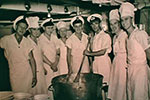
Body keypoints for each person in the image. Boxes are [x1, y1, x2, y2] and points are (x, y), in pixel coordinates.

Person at [119, 2, 150, 100]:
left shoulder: (140, 34)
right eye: (122, 20)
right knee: (131, 95)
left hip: (140, 72)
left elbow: (149, 53)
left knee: (140, 96)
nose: (124, 23)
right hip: (131, 71)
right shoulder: (127, 37)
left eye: (126, 19)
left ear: (132, 19)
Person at [0, 16, 37, 93]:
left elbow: (32, 60)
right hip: (14, 72)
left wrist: (34, 76)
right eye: (20, 27)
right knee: (17, 94)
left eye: (24, 28)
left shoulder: (27, 42)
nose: (22, 29)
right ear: (16, 27)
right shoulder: (6, 39)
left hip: (27, 73)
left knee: (27, 95)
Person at [84, 14, 111, 84]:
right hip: (95, 62)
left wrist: (89, 54)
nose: (94, 26)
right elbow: (92, 49)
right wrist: (90, 40)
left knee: (105, 83)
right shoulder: (94, 37)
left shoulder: (105, 36)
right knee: (98, 85)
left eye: (96, 23)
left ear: (100, 24)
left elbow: (103, 52)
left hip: (104, 62)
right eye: (92, 24)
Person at [107, 9, 127, 100]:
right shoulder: (114, 37)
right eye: (111, 24)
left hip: (124, 65)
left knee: (123, 88)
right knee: (116, 89)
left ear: (119, 24)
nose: (113, 26)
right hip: (116, 65)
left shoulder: (125, 35)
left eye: (115, 23)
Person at [39, 18, 60, 99]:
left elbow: (58, 51)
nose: (50, 30)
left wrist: (55, 63)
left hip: (55, 65)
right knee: (48, 86)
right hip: (47, 66)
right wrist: (51, 64)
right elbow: (41, 55)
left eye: (52, 28)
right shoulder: (40, 39)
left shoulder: (54, 38)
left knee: (56, 86)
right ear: (44, 28)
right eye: (48, 28)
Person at [27, 16, 47, 95]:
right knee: (34, 93)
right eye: (34, 29)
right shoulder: (27, 42)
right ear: (29, 30)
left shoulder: (39, 41)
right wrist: (33, 74)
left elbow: (40, 55)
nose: (36, 32)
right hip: (32, 72)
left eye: (38, 29)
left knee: (42, 92)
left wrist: (43, 67)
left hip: (41, 70)